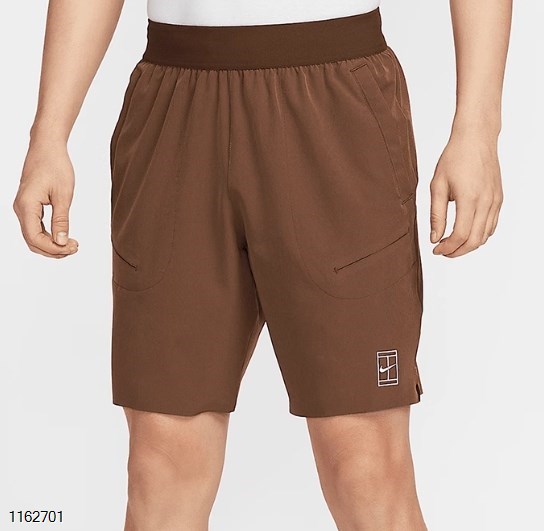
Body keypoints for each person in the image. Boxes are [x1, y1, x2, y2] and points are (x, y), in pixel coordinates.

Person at [13, 0, 511, 529]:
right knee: (161, 462)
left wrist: (478, 130)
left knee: (364, 464)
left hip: (335, 100)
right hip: (175, 104)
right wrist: (48, 135)